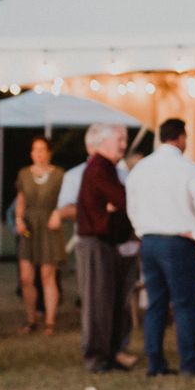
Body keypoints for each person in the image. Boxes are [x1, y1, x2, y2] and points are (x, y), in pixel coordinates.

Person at [126, 117, 195, 377]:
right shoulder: (188, 169)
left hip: (150, 242)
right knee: (184, 304)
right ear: (181, 138)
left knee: (156, 304)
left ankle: (155, 363)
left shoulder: (140, 169)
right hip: (178, 241)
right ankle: (188, 363)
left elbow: (131, 206)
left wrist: (142, 231)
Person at [54, 123, 139, 373]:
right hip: (95, 243)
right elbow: (122, 199)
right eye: (118, 140)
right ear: (101, 144)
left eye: (124, 140)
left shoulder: (106, 168)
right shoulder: (99, 168)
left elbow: (117, 202)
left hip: (107, 242)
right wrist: (115, 207)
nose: (123, 145)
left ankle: (109, 354)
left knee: (110, 301)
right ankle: (97, 357)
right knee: (98, 301)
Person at [12, 136, 66, 335]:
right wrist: (18, 219)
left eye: (42, 149)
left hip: (49, 227)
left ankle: (50, 321)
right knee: (26, 277)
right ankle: (31, 319)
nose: (38, 153)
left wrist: (58, 214)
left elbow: (65, 199)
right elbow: (21, 199)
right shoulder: (24, 174)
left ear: (49, 152)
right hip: (29, 227)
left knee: (47, 275)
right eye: (35, 149)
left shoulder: (59, 175)